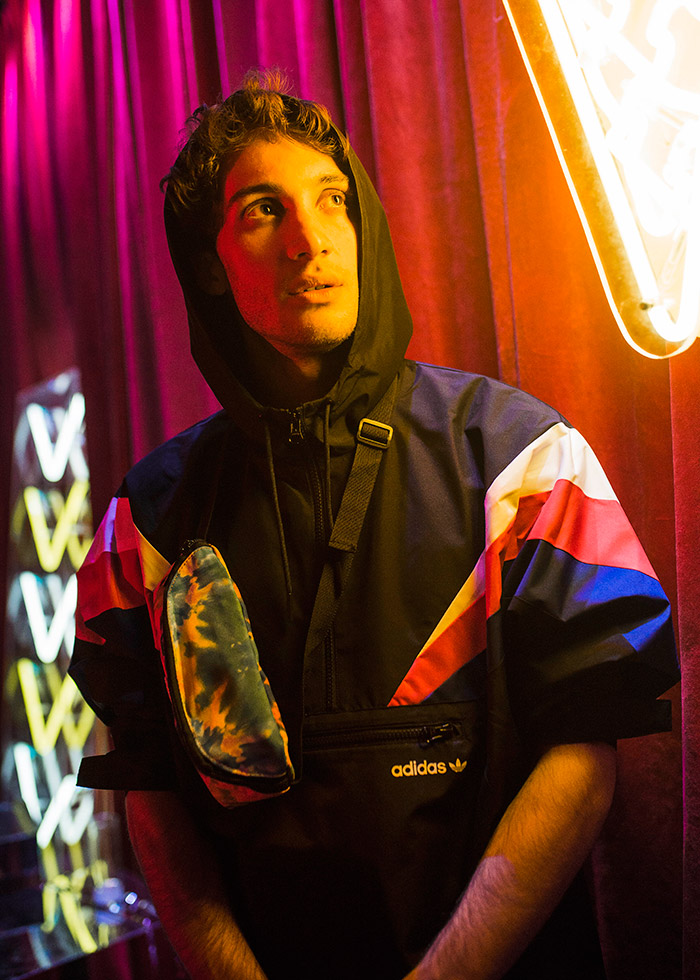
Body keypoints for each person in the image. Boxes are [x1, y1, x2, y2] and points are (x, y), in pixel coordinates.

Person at [69, 71, 679, 980]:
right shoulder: (147, 521)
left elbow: (587, 749)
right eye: (264, 210)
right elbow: (150, 788)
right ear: (209, 263)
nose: (311, 241)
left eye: (333, 200)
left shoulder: (524, 459)